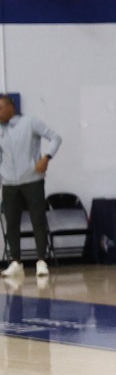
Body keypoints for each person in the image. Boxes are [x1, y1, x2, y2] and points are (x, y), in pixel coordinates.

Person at [0, 96, 61, 282]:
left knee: (37, 220)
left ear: (11, 107)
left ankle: (41, 260)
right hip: (9, 183)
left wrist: (46, 157)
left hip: (32, 180)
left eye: (0, 108)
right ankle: (15, 262)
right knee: (12, 222)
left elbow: (56, 138)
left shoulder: (30, 122)